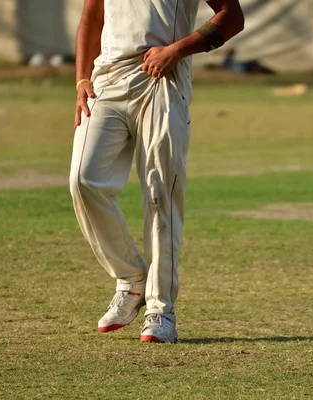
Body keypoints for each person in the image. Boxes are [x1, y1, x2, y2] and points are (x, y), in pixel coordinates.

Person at [69, 0, 244, 343]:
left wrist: (176, 50)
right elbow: (92, 16)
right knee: (83, 179)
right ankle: (131, 277)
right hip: (108, 80)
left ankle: (160, 310)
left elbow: (232, 16)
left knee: (159, 193)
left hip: (162, 77)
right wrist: (81, 80)